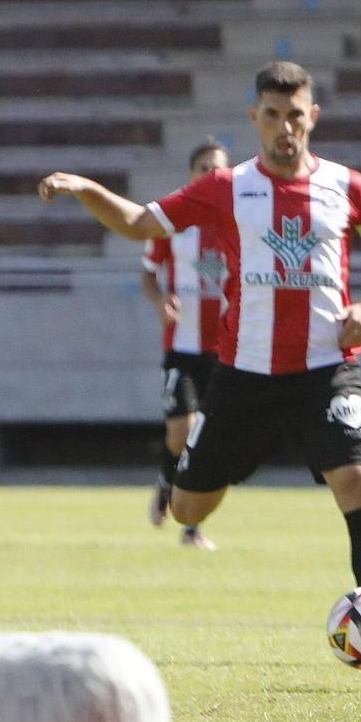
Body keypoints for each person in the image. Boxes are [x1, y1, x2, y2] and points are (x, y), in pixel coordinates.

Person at [40, 62, 361, 601]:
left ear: (312, 116)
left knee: (360, 484)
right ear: (255, 118)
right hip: (244, 379)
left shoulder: (348, 187)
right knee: (185, 508)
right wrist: (84, 187)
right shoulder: (224, 188)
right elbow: (137, 224)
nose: (285, 127)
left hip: (326, 371)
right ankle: (216, 463)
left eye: (295, 115)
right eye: (272, 115)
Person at [140, 138, 231, 550]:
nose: (213, 175)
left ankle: (192, 527)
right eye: (204, 168)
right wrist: (162, 301)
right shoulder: (172, 220)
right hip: (182, 346)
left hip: (226, 350)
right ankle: (165, 480)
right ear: (191, 175)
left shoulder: (239, 220)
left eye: (220, 168)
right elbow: (147, 273)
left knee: (209, 439)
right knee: (181, 431)